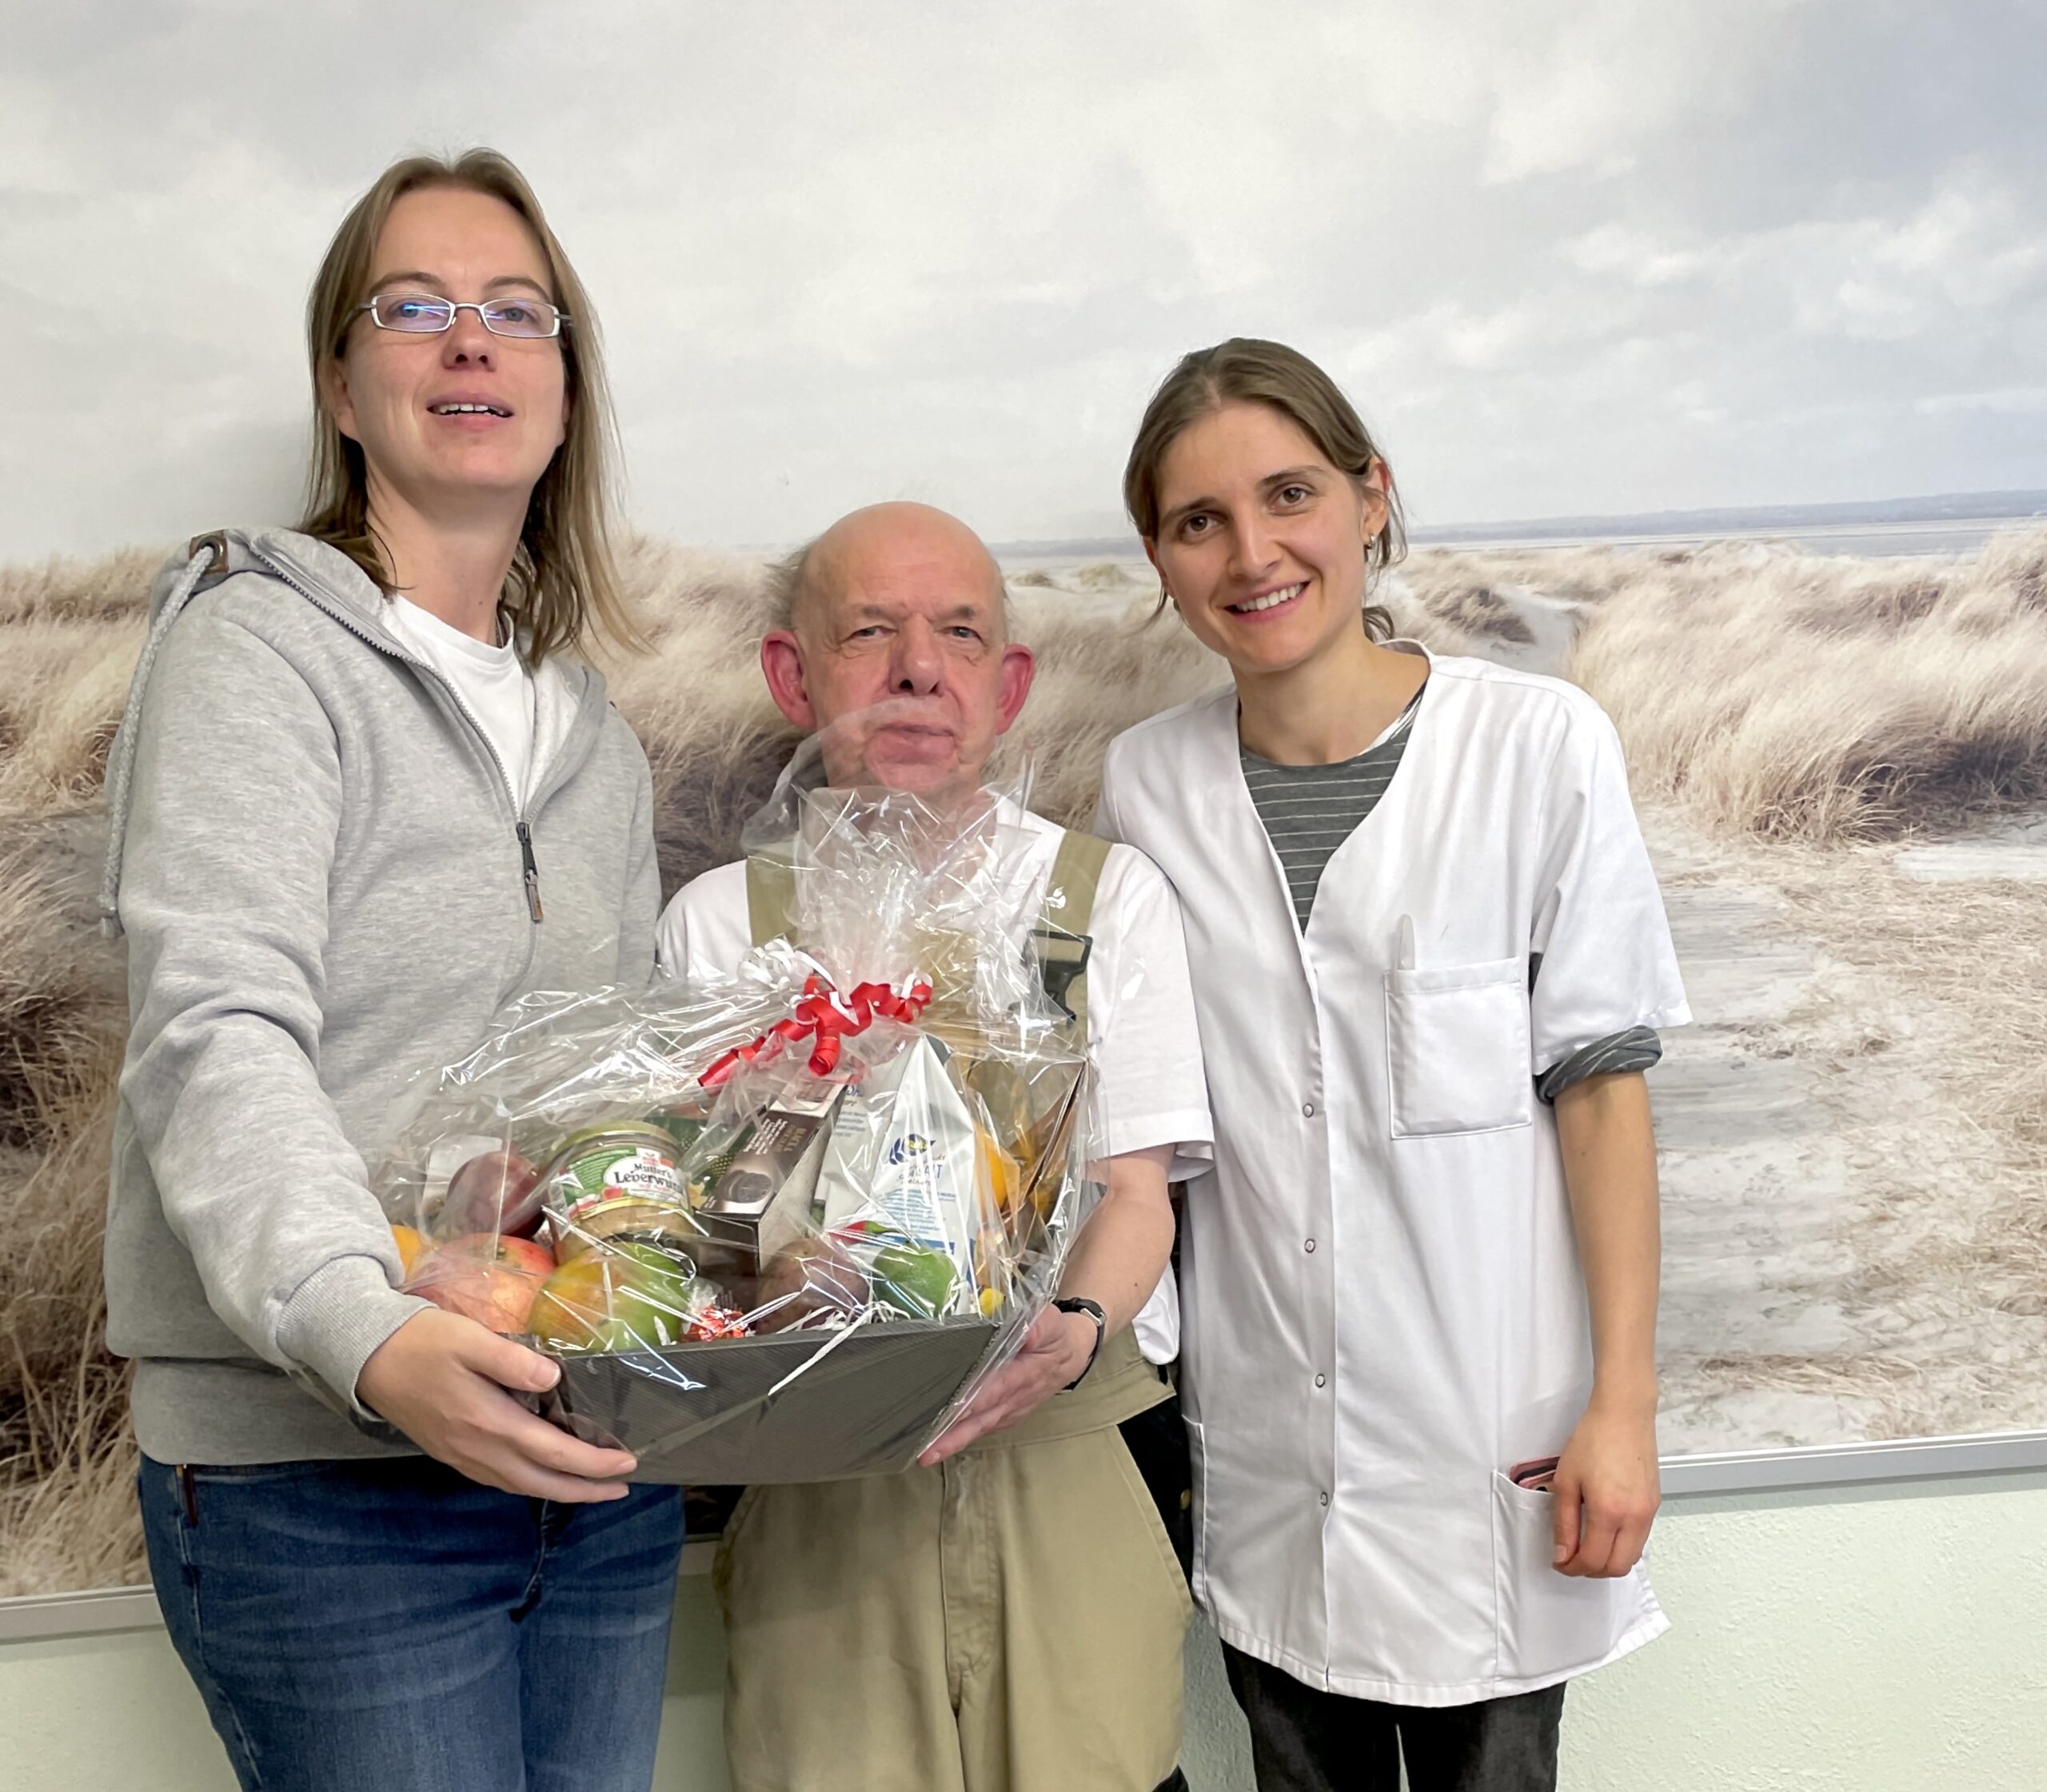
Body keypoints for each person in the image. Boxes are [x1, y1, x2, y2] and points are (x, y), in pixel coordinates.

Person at [102, 150, 683, 1792]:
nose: (469, 343)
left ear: (565, 389)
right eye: (413, 308)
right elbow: (215, 1031)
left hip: (581, 1458)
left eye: (516, 313)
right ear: (340, 385)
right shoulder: (254, 649)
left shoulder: (602, 742)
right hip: (320, 1490)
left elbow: (613, 1095)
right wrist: (366, 1330)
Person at [1094, 339, 1688, 1792]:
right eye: (1198, 521)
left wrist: (1623, 1405)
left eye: (1289, 493)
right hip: (1263, 1436)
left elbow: (1602, 1095)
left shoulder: (1537, 745)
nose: (1253, 551)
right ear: (1163, 560)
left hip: (1487, 1430)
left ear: (1372, 498)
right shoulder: (1146, 782)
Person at [656, 501, 1212, 1792]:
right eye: (870, 632)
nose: (919, 666)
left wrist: (1070, 1325)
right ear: (791, 675)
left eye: (959, 632)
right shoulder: (721, 927)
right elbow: (698, 1239)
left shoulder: (1103, 899)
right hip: (818, 1476)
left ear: (1006, 686)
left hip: (1070, 1450)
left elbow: (1138, 1193)